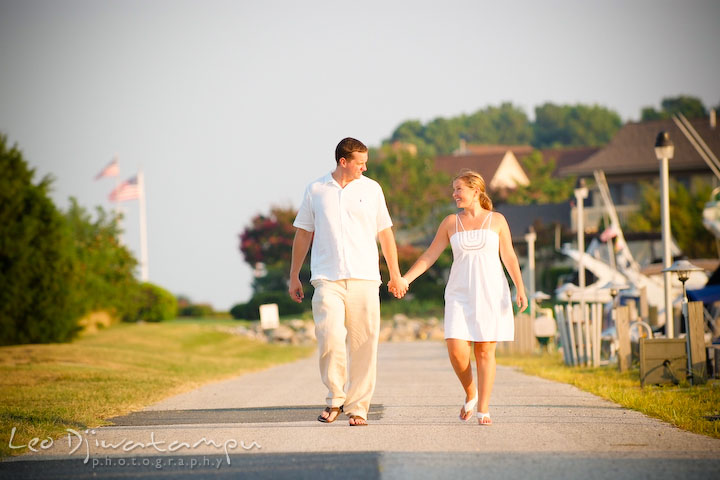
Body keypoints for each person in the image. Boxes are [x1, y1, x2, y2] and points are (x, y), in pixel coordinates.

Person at [288, 137, 408, 427]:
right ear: (343, 162)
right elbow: (303, 233)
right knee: (329, 337)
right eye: (360, 163)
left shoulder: (372, 189)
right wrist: (294, 275)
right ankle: (336, 398)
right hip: (327, 279)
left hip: (365, 278)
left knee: (364, 344)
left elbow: (386, 233)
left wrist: (395, 274)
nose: (365, 168)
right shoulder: (316, 189)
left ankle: (358, 407)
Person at [399, 169, 527, 425]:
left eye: (459, 189)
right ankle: (471, 391)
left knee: (484, 351)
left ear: (475, 190)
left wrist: (520, 287)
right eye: (454, 189)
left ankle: (483, 408)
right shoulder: (450, 222)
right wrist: (405, 279)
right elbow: (429, 255)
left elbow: (509, 256)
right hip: (459, 293)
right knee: (457, 350)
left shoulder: (497, 220)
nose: (454, 194)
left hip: (490, 291)